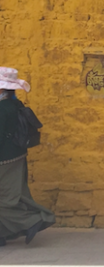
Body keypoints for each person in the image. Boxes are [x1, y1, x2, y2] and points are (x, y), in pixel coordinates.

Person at [0, 67, 55, 247]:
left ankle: (33, 220)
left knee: (6, 200)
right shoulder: (16, 104)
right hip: (17, 155)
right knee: (15, 195)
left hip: (4, 159)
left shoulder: (2, 109)